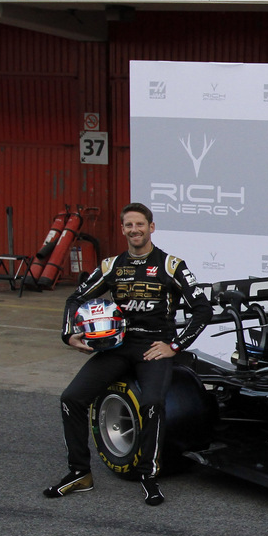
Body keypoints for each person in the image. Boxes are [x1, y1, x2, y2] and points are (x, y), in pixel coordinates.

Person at [43, 203, 212, 506]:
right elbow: (75, 298)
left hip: (155, 347)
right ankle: (79, 473)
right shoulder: (111, 266)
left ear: (151, 227)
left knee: (152, 403)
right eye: (129, 226)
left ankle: (148, 475)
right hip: (119, 346)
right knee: (72, 398)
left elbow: (203, 310)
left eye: (140, 225)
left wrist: (174, 346)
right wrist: (69, 334)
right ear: (122, 230)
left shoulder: (171, 265)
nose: (135, 230)